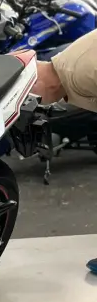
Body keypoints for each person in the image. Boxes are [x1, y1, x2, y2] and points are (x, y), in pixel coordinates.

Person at [30, 28, 97, 272]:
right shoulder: (67, 69)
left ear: (39, 83)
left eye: (32, 98)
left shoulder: (79, 74)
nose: (36, 105)